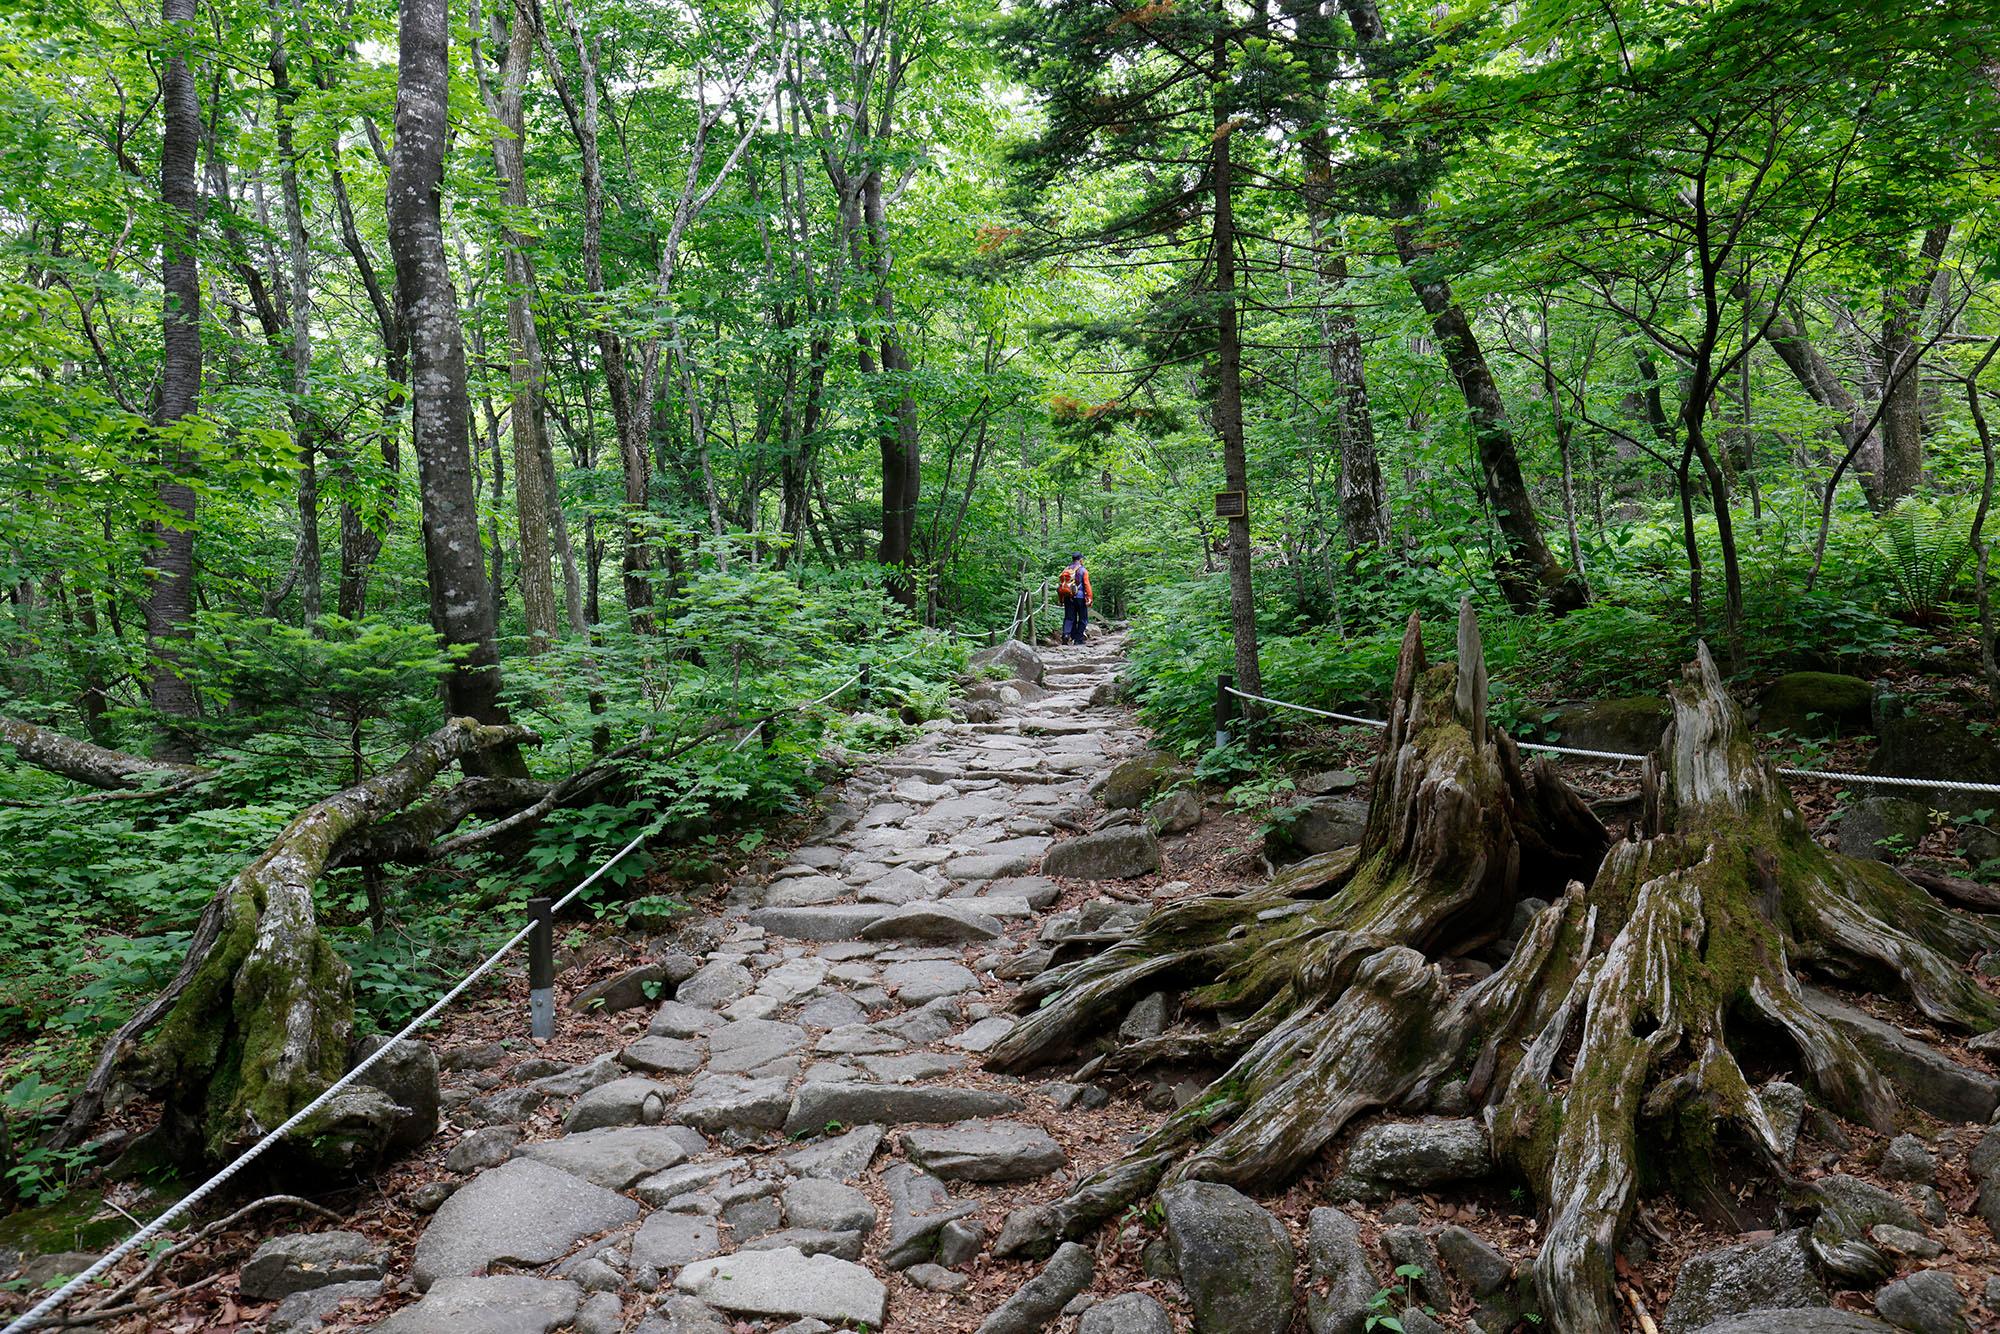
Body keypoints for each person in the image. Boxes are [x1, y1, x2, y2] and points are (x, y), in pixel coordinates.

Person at [1058, 552, 1093, 644]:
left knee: (1069, 618)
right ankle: (1078, 640)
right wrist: (1089, 597)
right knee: (1083, 618)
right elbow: (1087, 585)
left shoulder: (1066, 570)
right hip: (1080, 597)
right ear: (1080, 559)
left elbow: (1062, 585)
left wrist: (1061, 599)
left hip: (1068, 597)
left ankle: (1066, 635)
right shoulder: (1083, 570)